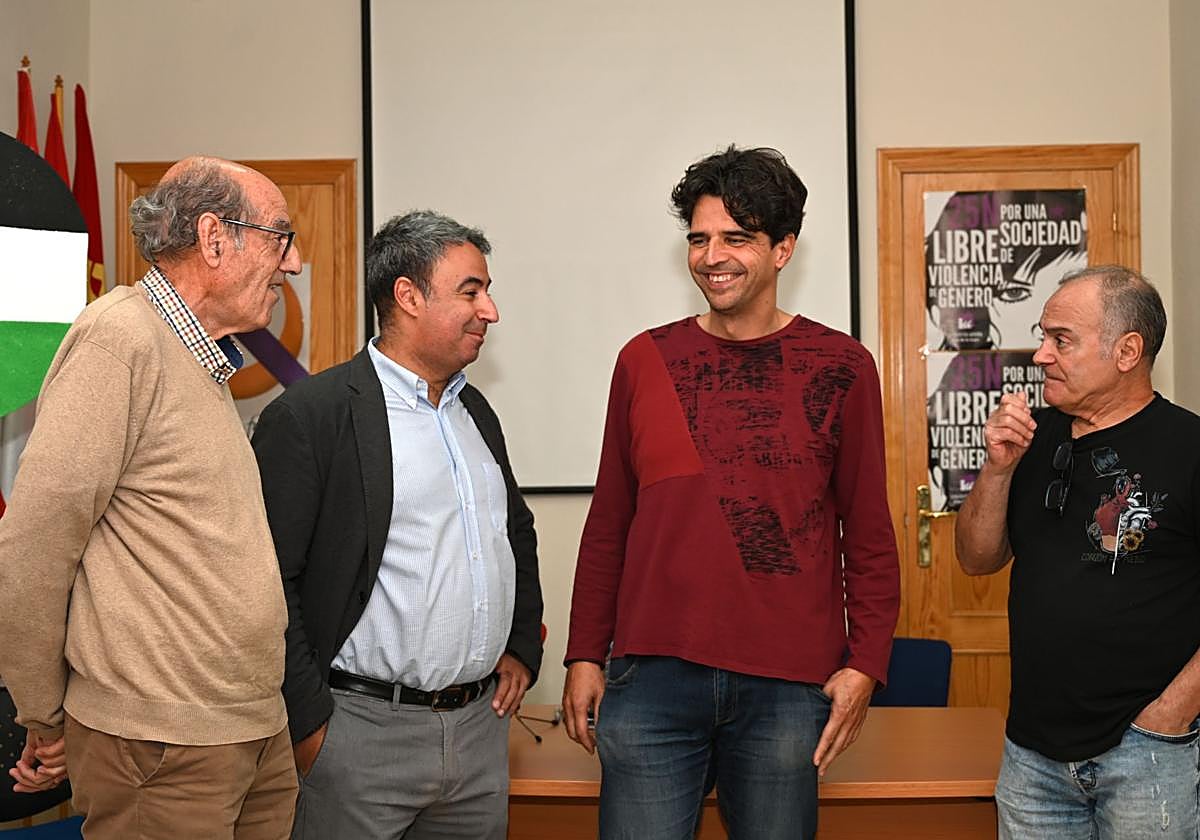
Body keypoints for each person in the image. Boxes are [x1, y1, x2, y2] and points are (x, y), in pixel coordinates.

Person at [562, 145, 901, 839]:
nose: (712, 256)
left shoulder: (842, 366)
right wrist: (584, 653)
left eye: (736, 238)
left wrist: (866, 662)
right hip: (650, 679)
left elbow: (868, 532)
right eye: (699, 238)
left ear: (783, 248)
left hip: (786, 684)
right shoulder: (643, 359)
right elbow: (609, 525)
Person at [0, 156, 303, 839]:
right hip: (163, 748)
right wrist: (44, 715)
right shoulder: (120, 339)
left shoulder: (199, 355)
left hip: (250, 729)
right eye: (280, 237)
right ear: (215, 238)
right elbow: (35, 545)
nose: (293, 263)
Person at [251, 210, 543, 840]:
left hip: (478, 733)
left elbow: (513, 531)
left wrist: (522, 645)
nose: (489, 310)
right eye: (471, 291)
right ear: (408, 296)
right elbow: (270, 582)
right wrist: (312, 728)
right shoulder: (313, 416)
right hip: (359, 735)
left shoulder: (474, 411)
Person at [956, 265, 1200, 839]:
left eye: (1060, 339)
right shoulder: (1033, 438)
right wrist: (997, 470)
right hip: (1031, 755)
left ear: (1127, 351)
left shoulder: (1189, 448)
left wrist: (1172, 713)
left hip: (1147, 753)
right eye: (1043, 336)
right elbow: (976, 559)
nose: (1041, 354)